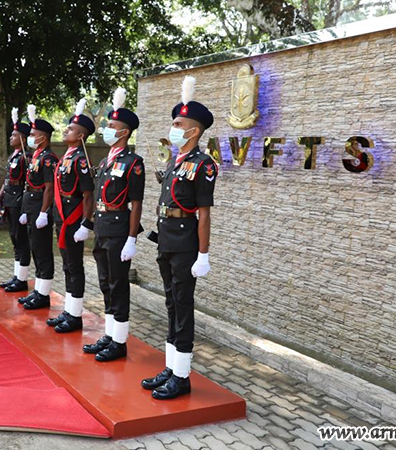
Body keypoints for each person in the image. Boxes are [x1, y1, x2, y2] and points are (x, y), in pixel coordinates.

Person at [141, 76, 217, 400]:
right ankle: (171, 367)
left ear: (194, 130)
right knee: (171, 304)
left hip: (186, 245)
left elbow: (204, 214)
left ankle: (182, 377)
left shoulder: (203, 165)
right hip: (166, 241)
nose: (173, 128)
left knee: (183, 307)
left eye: (177, 123)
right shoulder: (174, 161)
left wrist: (203, 254)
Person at [83, 88, 145, 361]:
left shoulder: (133, 163)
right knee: (106, 282)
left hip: (120, 228)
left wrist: (132, 238)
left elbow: (136, 204)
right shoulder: (105, 162)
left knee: (119, 285)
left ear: (124, 133)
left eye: (112, 126)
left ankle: (119, 343)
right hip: (103, 227)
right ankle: (110, 334)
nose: (107, 129)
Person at [44, 99, 95, 333]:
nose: (66, 130)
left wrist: (86, 222)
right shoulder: (66, 156)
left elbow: (87, 195)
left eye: (71, 129)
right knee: (66, 265)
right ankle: (69, 310)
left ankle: (75, 316)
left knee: (74, 266)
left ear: (81, 136)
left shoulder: (81, 160)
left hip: (73, 220)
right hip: (61, 217)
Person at [17, 105, 58, 310]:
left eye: (34, 134)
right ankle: (38, 290)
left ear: (44, 137)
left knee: (42, 252)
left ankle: (43, 294)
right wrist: (26, 211)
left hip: (40, 208)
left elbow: (49, 188)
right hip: (32, 206)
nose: (30, 137)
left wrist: (43, 212)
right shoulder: (36, 156)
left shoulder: (49, 158)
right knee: (35, 249)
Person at [0, 108, 31, 293]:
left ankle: (22, 279)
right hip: (9, 199)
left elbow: (27, 184)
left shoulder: (26, 157)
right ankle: (17, 275)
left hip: (18, 201)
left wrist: (25, 207)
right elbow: (7, 179)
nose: (11, 138)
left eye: (14, 135)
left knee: (21, 239)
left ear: (23, 139)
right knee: (14, 239)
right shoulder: (13, 156)